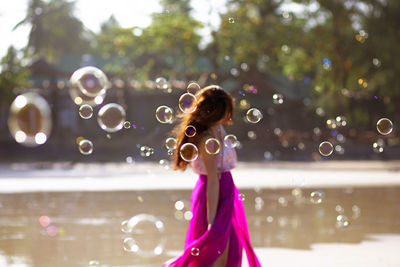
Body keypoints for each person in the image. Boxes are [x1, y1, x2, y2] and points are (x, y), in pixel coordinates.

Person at [162, 85, 261, 267]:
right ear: (217, 111)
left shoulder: (218, 129)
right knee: (216, 248)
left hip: (226, 192)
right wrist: (212, 221)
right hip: (214, 194)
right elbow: (213, 180)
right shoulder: (208, 139)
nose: (229, 115)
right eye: (227, 109)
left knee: (230, 246)